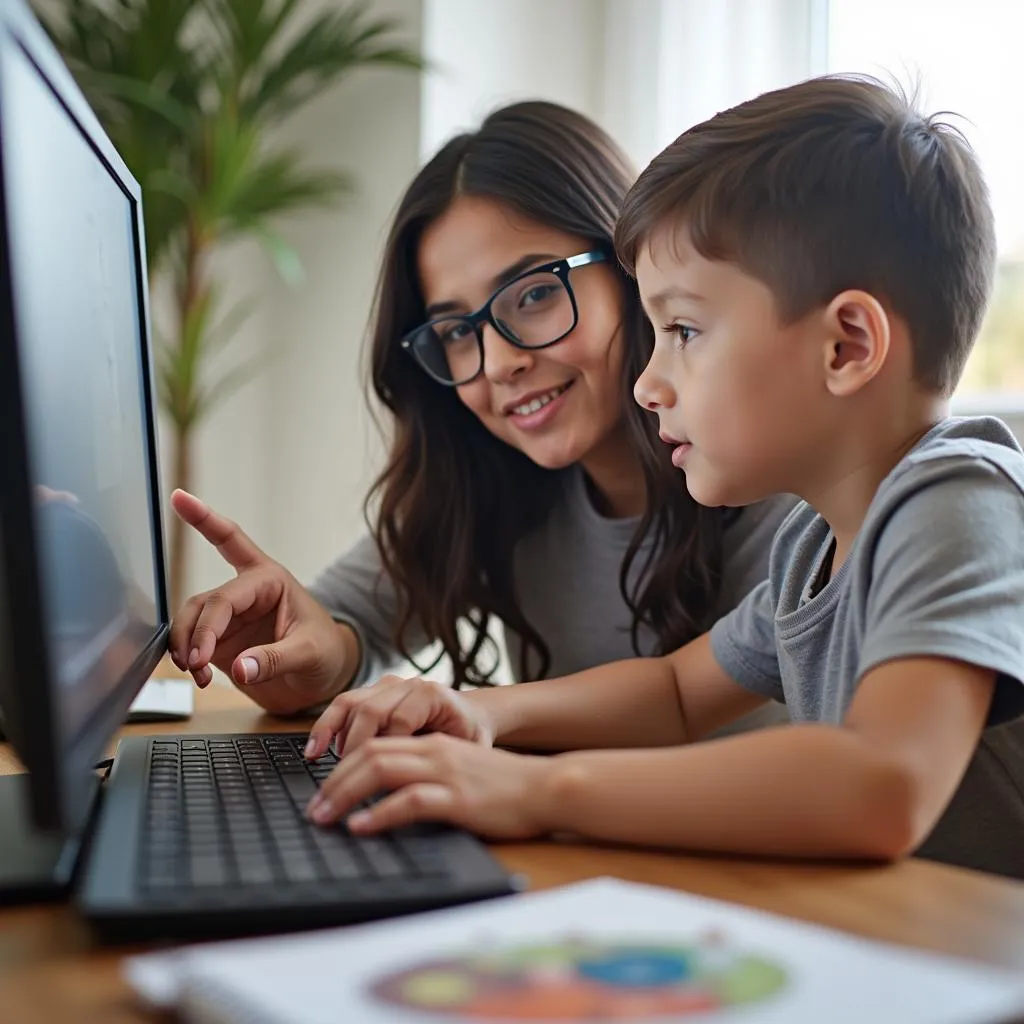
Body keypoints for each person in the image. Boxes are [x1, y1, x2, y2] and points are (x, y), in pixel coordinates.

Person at [302, 76, 1024, 881]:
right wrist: (477, 712)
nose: (650, 381)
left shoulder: (958, 501)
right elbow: (676, 694)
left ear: (846, 347)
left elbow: (880, 788)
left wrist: (541, 789)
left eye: (683, 329)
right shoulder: (815, 546)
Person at [168, 102, 794, 730]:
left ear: (635, 266)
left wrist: (510, 769)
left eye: (536, 294)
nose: (498, 362)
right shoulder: (495, 480)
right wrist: (292, 654)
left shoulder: (792, 487)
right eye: (457, 331)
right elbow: (333, 638)